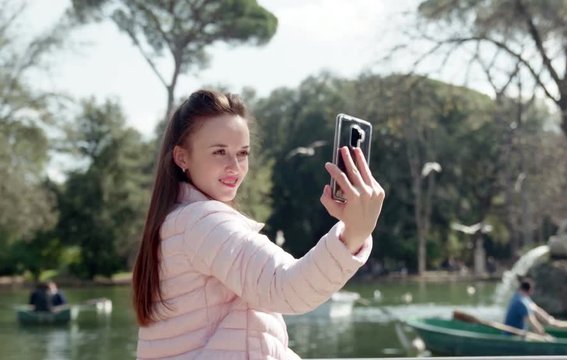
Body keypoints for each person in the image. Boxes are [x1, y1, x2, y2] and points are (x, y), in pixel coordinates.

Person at [132, 89, 385, 359]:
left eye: (243, 153)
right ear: (182, 157)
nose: (235, 166)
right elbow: (287, 288)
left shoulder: (177, 222)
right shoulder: (201, 222)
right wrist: (354, 234)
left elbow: (245, 336)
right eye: (220, 152)